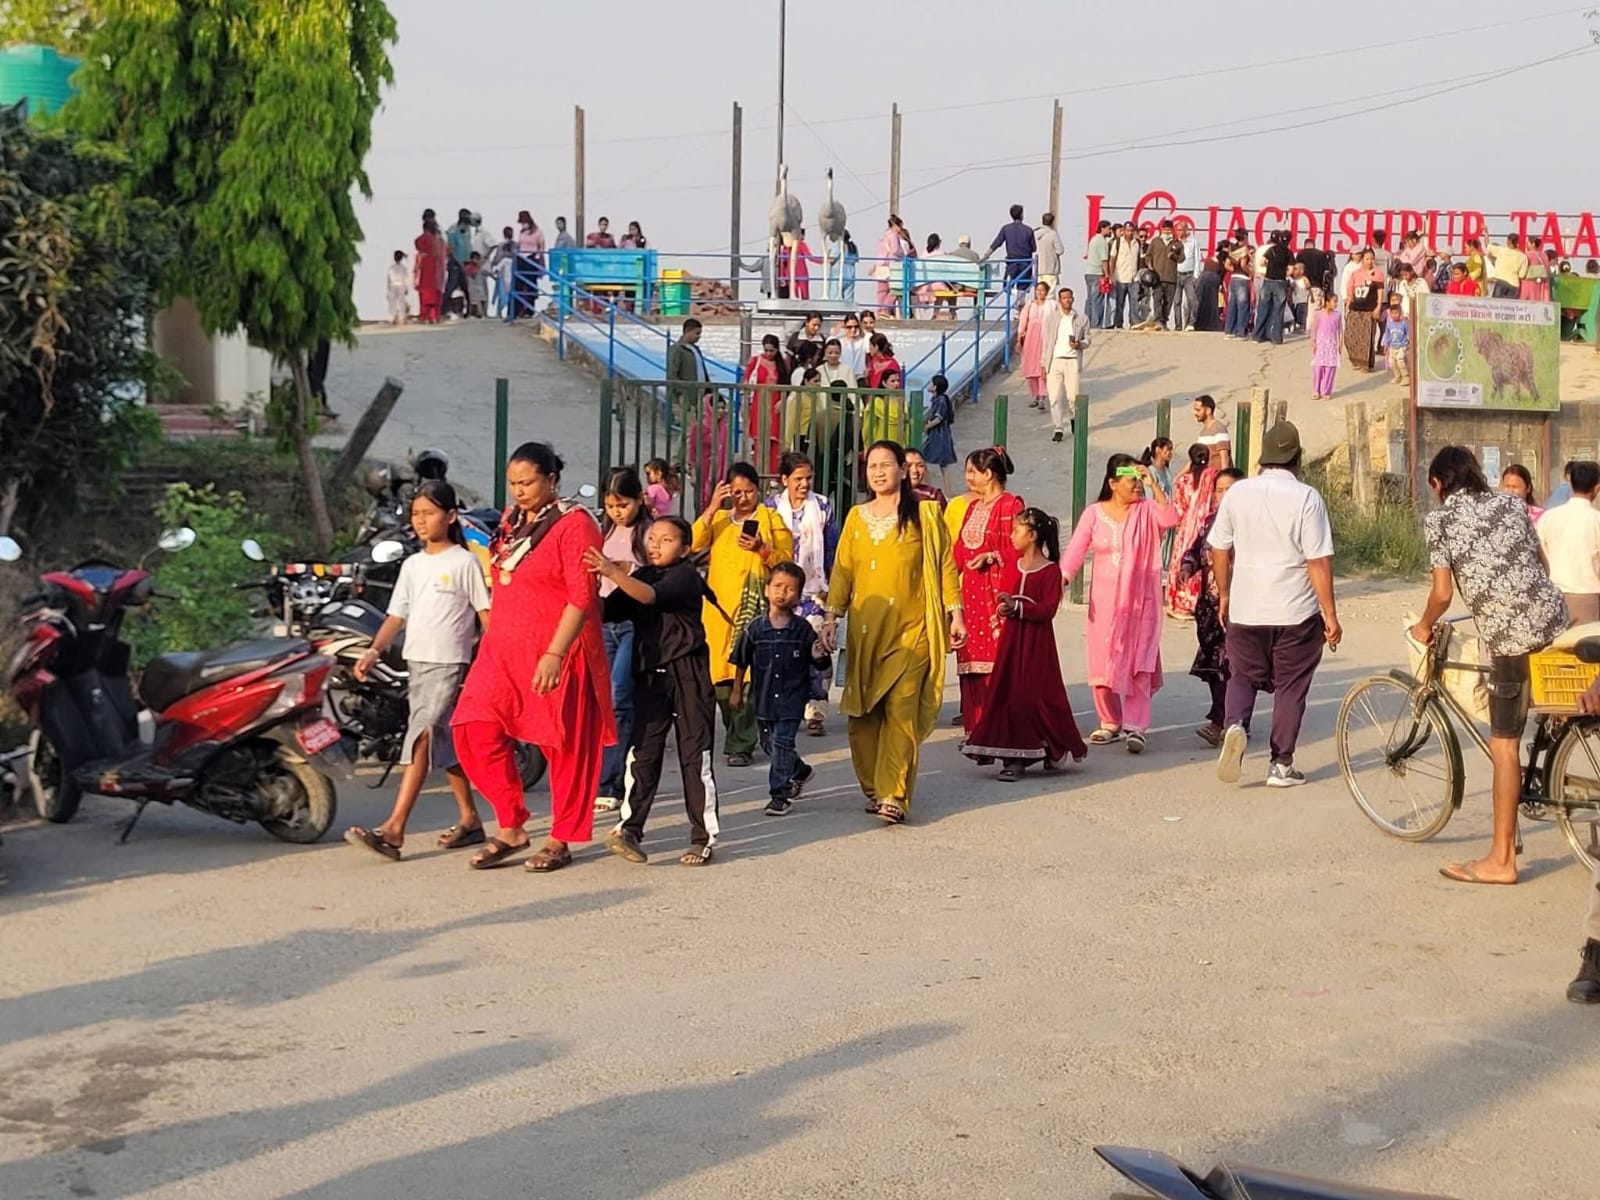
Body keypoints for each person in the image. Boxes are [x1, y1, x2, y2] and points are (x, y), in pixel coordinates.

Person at [453, 442, 615, 873]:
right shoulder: (511, 520)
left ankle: (561, 837)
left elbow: (582, 597)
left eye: (527, 482)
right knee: (472, 727)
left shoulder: (575, 524)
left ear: (552, 479)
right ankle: (511, 824)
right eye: (513, 483)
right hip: (504, 648)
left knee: (564, 744)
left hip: (559, 648)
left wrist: (555, 653)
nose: (519, 491)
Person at [1411, 446, 1568, 884]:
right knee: (1548, 707)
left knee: (1504, 746)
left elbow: (1442, 594)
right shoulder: (1512, 503)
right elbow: (1541, 564)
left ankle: (1501, 860)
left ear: (1438, 484)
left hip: (1509, 637)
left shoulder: (1440, 521)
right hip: (1554, 617)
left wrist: (1424, 625)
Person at [343, 481, 491, 861]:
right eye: (416, 514)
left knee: (421, 738)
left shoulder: (464, 562)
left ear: (451, 516)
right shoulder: (413, 565)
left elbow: (484, 614)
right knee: (441, 741)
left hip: (449, 663)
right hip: (418, 663)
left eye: (429, 513)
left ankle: (394, 830)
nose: (421, 521)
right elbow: (397, 615)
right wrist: (373, 650)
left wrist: (497, 659)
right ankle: (470, 819)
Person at [819, 441, 965, 824]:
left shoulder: (927, 515)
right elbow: (843, 572)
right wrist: (831, 618)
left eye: (886, 464)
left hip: (913, 631)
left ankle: (894, 794)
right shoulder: (856, 517)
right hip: (866, 633)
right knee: (862, 716)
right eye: (872, 466)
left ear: (903, 469)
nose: (879, 472)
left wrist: (956, 615)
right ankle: (874, 786)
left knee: (901, 710)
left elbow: (945, 567)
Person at [1209, 421, 1340, 789]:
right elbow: (1318, 561)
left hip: (1246, 606)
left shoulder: (1238, 493)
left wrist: (1225, 593)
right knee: (1291, 686)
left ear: (1263, 458)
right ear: (1297, 458)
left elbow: (1219, 547)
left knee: (1242, 674)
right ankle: (1281, 765)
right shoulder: (1307, 498)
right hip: (1295, 611)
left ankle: (1235, 724)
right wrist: (1330, 615)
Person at [588, 516, 720, 867]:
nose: (656, 545)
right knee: (643, 753)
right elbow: (606, 611)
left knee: (695, 755)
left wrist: (612, 571)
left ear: (685, 548)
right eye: (652, 538)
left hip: (688, 673)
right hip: (650, 676)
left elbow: (649, 597)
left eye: (666, 539)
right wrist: (586, 584)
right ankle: (630, 829)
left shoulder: (685, 576)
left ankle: (702, 838)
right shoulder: (642, 576)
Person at [1060, 454, 1178, 753]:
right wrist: (1060, 580)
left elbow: (1170, 518)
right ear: (1113, 483)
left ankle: (1136, 726)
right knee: (1102, 661)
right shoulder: (1094, 514)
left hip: (1141, 604)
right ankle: (1110, 721)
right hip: (1104, 604)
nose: (1137, 485)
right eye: (1131, 480)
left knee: (1140, 661)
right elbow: (1075, 550)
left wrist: (1153, 484)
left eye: (1139, 480)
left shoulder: (1147, 511)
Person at [961, 508, 1087, 780]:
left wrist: (1018, 607)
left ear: (1032, 535)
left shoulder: (1050, 572)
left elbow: (1048, 609)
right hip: (1011, 642)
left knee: (1033, 695)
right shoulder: (1012, 565)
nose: (1011, 536)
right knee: (1006, 692)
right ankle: (1015, 753)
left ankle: (1027, 755)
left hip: (1036, 645)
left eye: (1016, 531)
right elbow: (1003, 595)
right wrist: (1004, 607)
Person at [694, 463, 794, 768]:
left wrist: (762, 548)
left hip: (754, 611)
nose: (743, 497)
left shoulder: (771, 519)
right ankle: (739, 731)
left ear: (757, 490)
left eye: (748, 491)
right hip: (718, 613)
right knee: (721, 678)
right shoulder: (720, 520)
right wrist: (712, 506)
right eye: (736, 492)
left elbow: (786, 562)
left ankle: (741, 744)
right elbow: (693, 542)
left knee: (749, 677)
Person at [729, 562, 830, 816]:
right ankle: (800, 771)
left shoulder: (802, 629)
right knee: (769, 745)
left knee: (782, 743)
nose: (782, 592)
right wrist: (737, 690)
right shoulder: (755, 628)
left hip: (792, 699)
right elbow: (740, 660)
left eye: (790, 589)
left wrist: (818, 655)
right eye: (777, 586)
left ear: (798, 595)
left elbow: (820, 663)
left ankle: (779, 796)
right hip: (764, 698)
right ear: (767, 589)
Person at [764, 452, 838, 736]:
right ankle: (784, 707)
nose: (804, 484)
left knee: (817, 649)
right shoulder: (770, 509)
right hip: (781, 591)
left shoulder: (822, 506)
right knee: (781, 651)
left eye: (808, 478)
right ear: (785, 480)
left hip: (814, 591)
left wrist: (831, 585)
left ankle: (816, 708)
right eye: (798, 479)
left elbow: (831, 547)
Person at [953, 447, 1024, 735]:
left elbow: (1021, 547)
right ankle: (975, 728)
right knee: (970, 661)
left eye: (973, 471)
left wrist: (993, 556)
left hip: (996, 595)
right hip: (971, 597)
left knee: (998, 664)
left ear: (989, 474)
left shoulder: (1011, 505)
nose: (968, 477)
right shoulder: (973, 507)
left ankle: (999, 728)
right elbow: (959, 551)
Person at [592, 468, 651, 812]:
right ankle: (610, 771)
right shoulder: (603, 529)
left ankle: (610, 781)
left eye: (623, 504)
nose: (617, 511)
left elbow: (655, 575)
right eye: (611, 505)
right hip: (604, 623)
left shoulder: (649, 533)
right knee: (605, 700)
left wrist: (621, 568)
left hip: (633, 624)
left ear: (639, 499)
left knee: (619, 698)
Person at [1182, 468, 1244, 747]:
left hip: (1241, 604)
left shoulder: (1251, 524)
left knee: (1230, 664)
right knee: (1213, 664)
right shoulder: (1210, 523)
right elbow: (1195, 550)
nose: (1224, 495)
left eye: (1231, 489)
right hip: (1209, 607)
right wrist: (1188, 567)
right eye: (1220, 490)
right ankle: (1232, 719)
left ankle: (1224, 721)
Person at [1537, 460, 1600, 624]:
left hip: (1553, 596)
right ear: (1597, 488)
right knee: (1585, 640)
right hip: (1588, 599)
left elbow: (1538, 556)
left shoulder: (1548, 517)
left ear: (1571, 484)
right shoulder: (1596, 520)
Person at [1166, 443, 1217, 618]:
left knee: (1184, 560)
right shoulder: (1213, 479)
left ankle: (1181, 602)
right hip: (1207, 528)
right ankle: (1198, 601)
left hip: (1186, 529)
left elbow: (1178, 509)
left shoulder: (1183, 481)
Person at [1040, 287, 1091, 443]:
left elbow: (1088, 339)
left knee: (1073, 396)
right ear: (1059, 300)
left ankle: (1074, 419)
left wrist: (1079, 344)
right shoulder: (1051, 318)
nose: (1067, 300)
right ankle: (1058, 428)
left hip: (1072, 360)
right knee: (1054, 397)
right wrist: (1043, 364)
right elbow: (1046, 342)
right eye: (1064, 298)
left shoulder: (1081, 318)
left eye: (1069, 297)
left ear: (1073, 299)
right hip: (1055, 360)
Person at [744, 334, 785, 472]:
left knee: (774, 440)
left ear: (777, 349)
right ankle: (760, 471)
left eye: (771, 350)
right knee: (759, 440)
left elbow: (786, 384)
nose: (768, 353)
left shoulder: (782, 364)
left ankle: (773, 473)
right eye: (766, 350)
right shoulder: (755, 361)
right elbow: (746, 382)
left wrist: (782, 401)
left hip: (776, 403)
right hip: (759, 403)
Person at [1015, 280, 1054, 410]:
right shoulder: (1030, 305)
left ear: (1046, 292)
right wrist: (1019, 339)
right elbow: (1023, 322)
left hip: (1044, 338)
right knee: (1030, 368)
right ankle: (1035, 396)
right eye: (1038, 290)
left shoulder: (1051, 305)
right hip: (1030, 339)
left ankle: (1042, 396)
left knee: (1042, 367)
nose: (1040, 293)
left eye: (1042, 290)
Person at [1344, 248, 1383, 371]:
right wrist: (1347, 307)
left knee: (1366, 338)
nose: (1369, 261)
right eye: (1367, 259)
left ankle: (1366, 364)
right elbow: (1350, 291)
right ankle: (1355, 360)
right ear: (1362, 260)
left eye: (1371, 259)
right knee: (1350, 336)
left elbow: (1380, 291)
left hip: (1369, 309)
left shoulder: (1378, 273)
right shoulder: (1355, 274)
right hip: (1355, 308)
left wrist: (1378, 307)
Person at [985, 203, 1036, 297]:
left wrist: (986, 255)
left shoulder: (1006, 229)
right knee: (1023, 288)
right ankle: (1020, 303)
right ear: (1022, 215)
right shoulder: (1028, 230)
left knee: (1007, 286)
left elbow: (996, 243)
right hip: (1025, 263)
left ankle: (1012, 300)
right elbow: (1034, 248)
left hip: (1012, 263)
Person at [1252, 230, 1292, 344]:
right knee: (1278, 310)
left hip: (1268, 280)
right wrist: (1283, 271)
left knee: (1263, 308)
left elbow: (1262, 262)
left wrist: (1270, 265)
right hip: (1280, 282)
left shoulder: (1272, 249)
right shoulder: (1288, 252)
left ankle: (1257, 335)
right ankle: (1276, 338)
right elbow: (1291, 269)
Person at [921, 373, 957, 491]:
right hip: (941, 434)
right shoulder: (939, 399)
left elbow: (938, 418)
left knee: (923, 459)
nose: (929, 384)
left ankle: (931, 488)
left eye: (931, 383)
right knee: (942, 465)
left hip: (939, 435)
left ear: (935, 386)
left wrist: (927, 427)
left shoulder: (940, 400)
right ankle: (946, 491)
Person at [1145, 219, 1181, 330]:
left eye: (1169, 229)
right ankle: (1158, 321)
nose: (1167, 231)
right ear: (1161, 229)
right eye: (1165, 229)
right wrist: (1150, 267)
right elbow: (1148, 256)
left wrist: (1174, 256)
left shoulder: (1177, 243)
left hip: (1171, 277)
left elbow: (1182, 258)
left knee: (1168, 301)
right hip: (1157, 277)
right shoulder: (1155, 241)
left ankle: (1164, 321)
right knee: (1157, 299)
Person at [874, 215, 912, 315]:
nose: (900, 229)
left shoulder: (884, 236)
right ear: (896, 225)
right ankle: (885, 309)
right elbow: (895, 250)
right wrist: (903, 254)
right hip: (891, 266)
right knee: (895, 290)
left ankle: (879, 311)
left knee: (881, 291)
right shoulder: (893, 235)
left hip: (880, 265)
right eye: (900, 227)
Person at [413, 216, 447, 324]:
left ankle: (425, 317)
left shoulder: (424, 238)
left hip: (427, 267)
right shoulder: (440, 240)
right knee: (436, 293)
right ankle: (434, 316)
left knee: (425, 294)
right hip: (439, 269)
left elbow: (417, 244)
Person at [1310, 290, 1344, 399]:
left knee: (1330, 368)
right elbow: (1314, 329)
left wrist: (1341, 343)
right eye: (1334, 301)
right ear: (1327, 302)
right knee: (1318, 367)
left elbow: (1340, 330)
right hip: (1321, 345)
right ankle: (1316, 390)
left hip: (1332, 345)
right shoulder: (1318, 314)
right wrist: (1313, 342)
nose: (1336, 304)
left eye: (1337, 302)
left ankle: (1326, 391)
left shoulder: (1337, 315)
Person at [513, 211, 546, 316]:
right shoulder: (521, 233)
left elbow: (541, 247)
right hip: (521, 258)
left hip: (532, 259)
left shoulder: (538, 232)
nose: (523, 225)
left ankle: (529, 310)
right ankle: (517, 310)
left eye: (524, 222)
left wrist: (538, 259)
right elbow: (519, 245)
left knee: (530, 285)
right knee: (518, 286)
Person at [1110, 224, 1141, 329]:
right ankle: (1119, 323)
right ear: (1123, 231)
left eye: (1131, 231)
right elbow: (1112, 259)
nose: (1130, 233)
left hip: (1133, 278)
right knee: (1120, 303)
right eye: (1128, 230)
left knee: (1134, 302)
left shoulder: (1137, 243)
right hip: (1120, 277)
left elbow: (1139, 259)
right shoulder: (1118, 242)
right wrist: (1111, 275)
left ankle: (1134, 323)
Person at [1084, 219, 1113, 329]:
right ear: (1102, 228)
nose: (1110, 231)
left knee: (1090, 300)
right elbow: (1104, 260)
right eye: (1109, 229)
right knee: (1097, 300)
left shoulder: (1094, 239)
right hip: (1097, 273)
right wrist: (1107, 275)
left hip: (1089, 272)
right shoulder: (1101, 241)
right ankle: (1096, 324)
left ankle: (1088, 322)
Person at [1192, 394, 1231, 470]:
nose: (1195, 413)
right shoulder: (1203, 433)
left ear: (1208, 410)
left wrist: (1223, 475)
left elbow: (1224, 456)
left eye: (1198, 410)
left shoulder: (1219, 429)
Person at [1485, 234, 1528, 300]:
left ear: (1509, 242)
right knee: (1511, 305)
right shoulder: (1523, 257)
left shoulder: (1500, 250)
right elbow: (1522, 275)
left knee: (1497, 304)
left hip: (1500, 282)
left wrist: (1486, 233)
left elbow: (1487, 245)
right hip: (1514, 285)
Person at [1034, 211, 1065, 294]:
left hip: (1038, 269)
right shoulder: (1053, 234)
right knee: (1050, 293)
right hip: (1050, 269)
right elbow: (1060, 250)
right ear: (1052, 222)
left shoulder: (1035, 234)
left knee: (1039, 293)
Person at [1193, 249, 1224, 332]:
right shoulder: (1221, 262)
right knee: (1212, 302)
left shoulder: (1210, 259)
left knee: (1202, 302)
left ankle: (1199, 324)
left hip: (1203, 278)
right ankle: (1211, 324)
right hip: (1213, 278)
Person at [1382, 300, 1411, 384]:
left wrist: (1407, 341)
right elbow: (1387, 334)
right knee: (1392, 362)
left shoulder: (1404, 323)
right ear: (1390, 314)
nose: (1394, 315)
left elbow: (1408, 333)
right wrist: (1386, 345)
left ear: (1400, 313)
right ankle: (1397, 376)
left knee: (1400, 361)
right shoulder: (1389, 324)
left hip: (1402, 345)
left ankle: (1405, 377)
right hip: (1392, 346)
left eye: (1396, 313)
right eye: (1393, 313)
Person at [837, 313, 868, 380]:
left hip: (860, 376)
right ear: (845, 326)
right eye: (849, 327)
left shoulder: (863, 341)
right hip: (843, 376)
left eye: (856, 326)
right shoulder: (839, 342)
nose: (853, 329)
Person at [386, 250, 410, 325]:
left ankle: (392, 318)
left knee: (392, 303)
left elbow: (389, 279)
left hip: (393, 285)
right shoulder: (403, 268)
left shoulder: (391, 268)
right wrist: (406, 288)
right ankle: (401, 318)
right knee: (401, 302)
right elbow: (406, 278)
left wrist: (388, 288)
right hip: (401, 285)